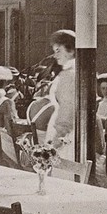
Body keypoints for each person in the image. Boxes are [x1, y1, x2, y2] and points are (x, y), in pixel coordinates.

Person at [45, 30, 77, 159]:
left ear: (71, 50)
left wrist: (57, 138)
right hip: (66, 127)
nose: (54, 55)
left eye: (58, 51)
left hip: (65, 132)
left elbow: (67, 109)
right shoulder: (71, 72)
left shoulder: (69, 75)